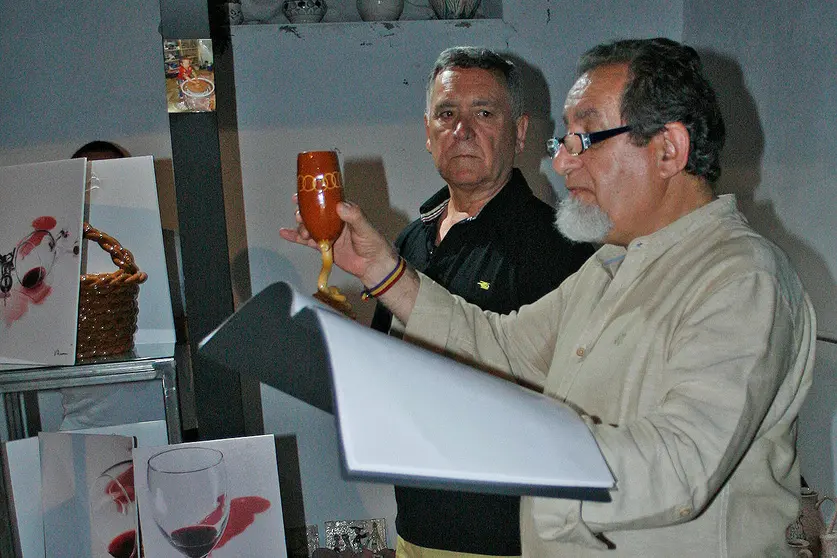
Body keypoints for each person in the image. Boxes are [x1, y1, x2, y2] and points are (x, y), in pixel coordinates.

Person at [281, 37, 817, 557]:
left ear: (668, 150)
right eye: (566, 140)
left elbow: (680, 465)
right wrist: (383, 270)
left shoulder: (740, 277)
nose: (561, 163)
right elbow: (503, 346)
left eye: (586, 138)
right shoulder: (613, 265)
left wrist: (514, 452)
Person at [369, 47, 593, 558]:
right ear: (427, 133)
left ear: (519, 132)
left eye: (483, 113)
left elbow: (567, 403)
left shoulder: (557, 248)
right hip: (414, 525)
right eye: (447, 114)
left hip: (504, 536)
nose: (462, 129)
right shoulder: (407, 242)